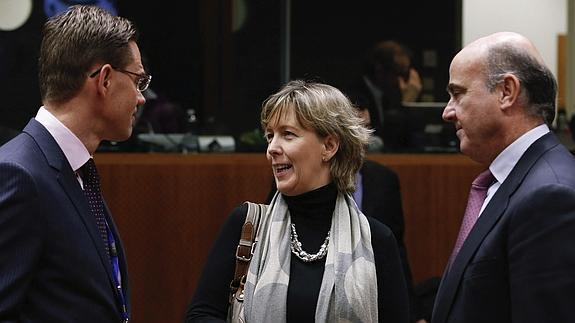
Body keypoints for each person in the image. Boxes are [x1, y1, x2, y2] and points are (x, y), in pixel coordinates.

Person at [186, 80, 409, 322]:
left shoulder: (377, 240)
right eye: (270, 136)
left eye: (288, 135)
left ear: (330, 146)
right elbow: (201, 315)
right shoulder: (247, 226)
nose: (272, 148)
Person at [0, 5, 149, 322]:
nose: (141, 97)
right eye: (138, 80)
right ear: (105, 79)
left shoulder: (76, 170)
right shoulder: (18, 174)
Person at [431, 31, 575, 323]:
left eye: (458, 93)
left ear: (507, 92)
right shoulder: (512, 179)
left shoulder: (550, 195)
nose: (447, 112)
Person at [346, 40, 422, 151]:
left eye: (405, 74)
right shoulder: (355, 97)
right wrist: (407, 102)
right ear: (380, 70)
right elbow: (387, 143)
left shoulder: (390, 95)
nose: (401, 83)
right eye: (397, 73)